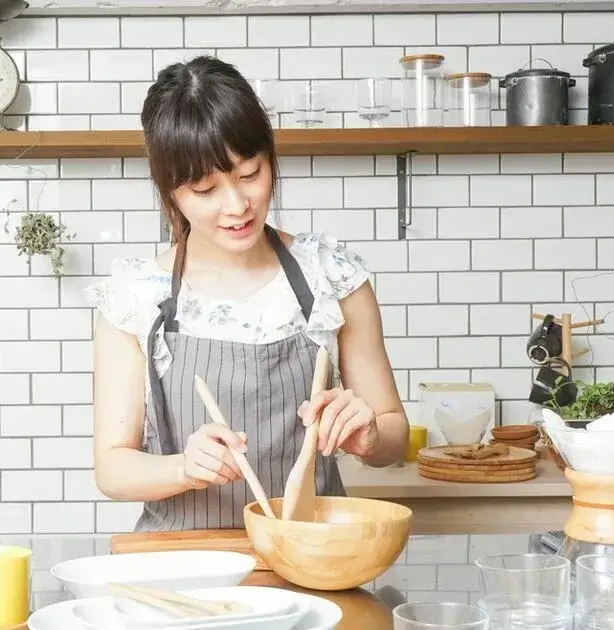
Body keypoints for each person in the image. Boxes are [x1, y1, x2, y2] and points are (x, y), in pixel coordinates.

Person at [87, 55, 410, 532]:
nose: (236, 206)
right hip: (184, 565)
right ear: (170, 192)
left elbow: (395, 439)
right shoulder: (137, 295)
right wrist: (182, 467)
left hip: (312, 558)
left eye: (249, 175)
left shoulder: (332, 277)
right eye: (205, 188)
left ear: (271, 160)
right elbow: (112, 469)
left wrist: (368, 436)